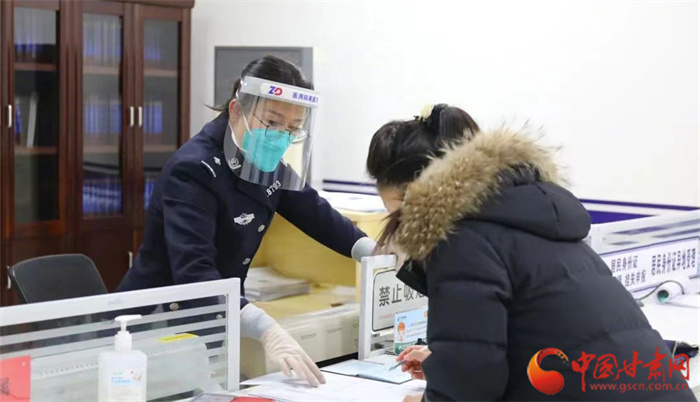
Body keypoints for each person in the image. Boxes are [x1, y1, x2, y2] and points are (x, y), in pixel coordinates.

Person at [367, 104, 695, 401]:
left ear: (415, 194)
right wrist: (445, 365)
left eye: (396, 213)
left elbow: (471, 383)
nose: (400, 230)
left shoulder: (462, 240)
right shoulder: (530, 218)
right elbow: (531, 339)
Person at [116, 56, 376, 387]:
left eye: (292, 128)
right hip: (158, 324)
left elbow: (314, 211)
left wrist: (372, 250)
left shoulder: (262, 161)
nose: (281, 136)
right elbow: (194, 273)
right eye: (272, 122)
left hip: (216, 319)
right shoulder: (193, 170)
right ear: (236, 110)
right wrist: (264, 328)